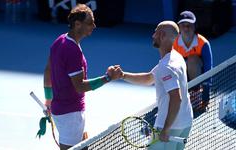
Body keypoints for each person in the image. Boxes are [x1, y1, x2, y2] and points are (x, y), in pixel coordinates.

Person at [43, 4, 122, 150]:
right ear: (77, 24)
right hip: (71, 114)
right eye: (90, 23)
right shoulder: (72, 50)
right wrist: (108, 78)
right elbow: (79, 86)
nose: (94, 25)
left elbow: (48, 70)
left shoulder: (59, 40)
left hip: (60, 109)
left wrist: (48, 99)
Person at [120, 21, 193, 150]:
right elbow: (149, 78)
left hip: (171, 126)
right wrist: (122, 75)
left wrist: (166, 128)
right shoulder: (176, 57)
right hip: (185, 121)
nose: (153, 35)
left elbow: (176, 98)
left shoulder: (167, 67)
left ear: (162, 35)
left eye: (156, 32)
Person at [173, 10, 213, 81]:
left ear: (195, 26)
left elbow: (208, 68)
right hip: (180, 80)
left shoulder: (203, 43)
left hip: (198, 79)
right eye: (183, 25)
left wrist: (206, 88)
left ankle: (195, 90)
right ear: (178, 27)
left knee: (193, 60)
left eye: (189, 25)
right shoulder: (173, 43)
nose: (186, 28)